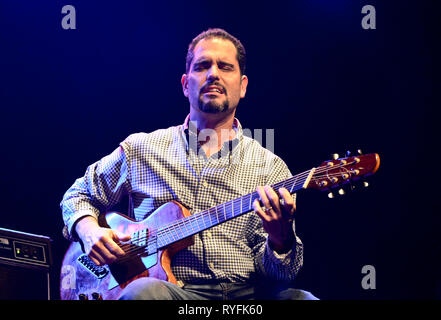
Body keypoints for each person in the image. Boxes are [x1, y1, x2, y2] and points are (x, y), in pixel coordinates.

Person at [60, 28, 318, 300]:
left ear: (242, 86)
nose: (213, 74)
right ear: (185, 84)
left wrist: (280, 238)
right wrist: (88, 231)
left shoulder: (271, 168)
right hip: (170, 292)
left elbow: (279, 276)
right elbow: (77, 196)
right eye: (203, 66)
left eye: (225, 67)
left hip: (244, 298)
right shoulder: (141, 149)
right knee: (143, 292)